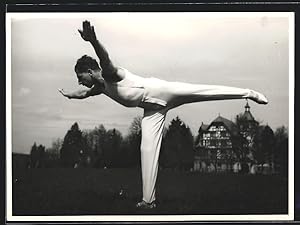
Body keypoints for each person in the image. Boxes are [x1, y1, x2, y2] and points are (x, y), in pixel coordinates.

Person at [59, 20, 268, 209]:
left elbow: (105, 59)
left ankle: (248, 93)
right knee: (146, 149)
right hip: (152, 111)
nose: (79, 82)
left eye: (80, 77)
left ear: (89, 70)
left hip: (160, 91)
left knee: (201, 91)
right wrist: (69, 95)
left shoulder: (109, 74)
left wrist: (94, 41)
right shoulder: (99, 87)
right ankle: (148, 201)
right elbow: (83, 93)